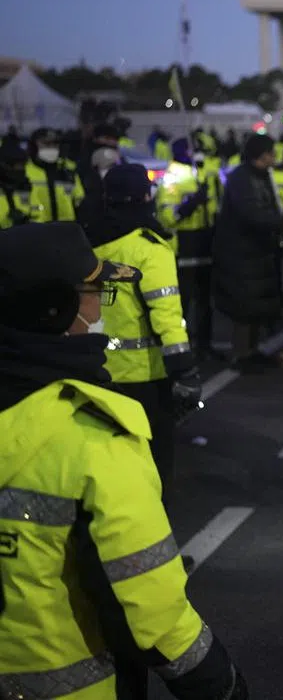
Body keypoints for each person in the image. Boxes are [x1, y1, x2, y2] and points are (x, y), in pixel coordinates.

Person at [0, 221, 248, 700]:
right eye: (95, 293)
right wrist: (217, 682)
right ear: (59, 309)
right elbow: (148, 605)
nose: (100, 309)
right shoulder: (91, 437)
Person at [88, 163, 200, 497]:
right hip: (145, 378)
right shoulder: (149, 248)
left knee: (106, 466)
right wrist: (186, 372)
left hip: (95, 371)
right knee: (152, 467)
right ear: (145, 196)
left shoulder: (87, 240)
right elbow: (166, 316)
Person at [212, 133, 283, 371]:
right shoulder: (243, 179)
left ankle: (252, 353)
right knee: (244, 307)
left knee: (255, 307)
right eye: (272, 152)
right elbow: (250, 213)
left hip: (257, 253)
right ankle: (242, 356)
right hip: (242, 253)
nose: (276, 157)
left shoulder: (261, 176)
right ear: (263, 155)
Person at [156, 138, 222, 361]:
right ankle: (182, 345)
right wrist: (192, 202)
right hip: (183, 246)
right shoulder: (172, 176)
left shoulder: (201, 173)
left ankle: (204, 344)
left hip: (204, 242)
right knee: (182, 301)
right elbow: (168, 217)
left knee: (205, 301)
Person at [26, 128, 85, 223]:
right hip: (36, 230)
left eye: (55, 144)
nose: (51, 148)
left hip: (66, 228)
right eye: (46, 144)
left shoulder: (68, 169)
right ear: (33, 146)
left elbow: (79, 199)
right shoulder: (25, 171)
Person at [0, 142, 31, 228]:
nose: (22, 169)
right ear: (4, 166)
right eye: (18, 165)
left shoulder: (25, 185)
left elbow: (37, 213)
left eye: (24, 165)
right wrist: (8, 221)